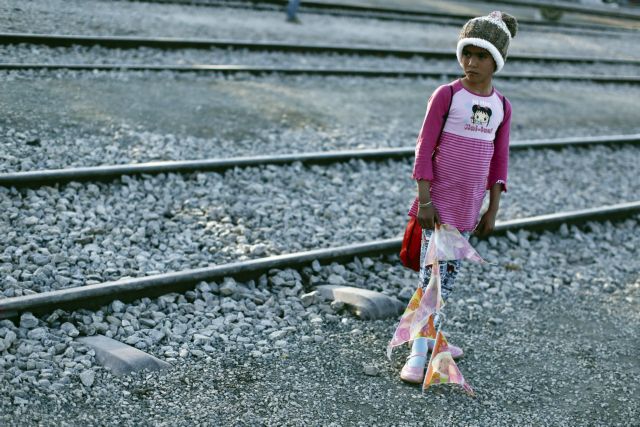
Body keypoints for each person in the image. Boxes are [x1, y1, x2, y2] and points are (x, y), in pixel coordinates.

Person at [399, 11, 518, 384]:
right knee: (431, 278)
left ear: (496, 60)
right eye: (466, 53)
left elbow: (499, 159)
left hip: (468, 210)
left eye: (481, 56)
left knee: (446, 279)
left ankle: (433, 337)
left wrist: (492, 208)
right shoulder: (447, 95)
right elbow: (424, 148)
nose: (471, 63)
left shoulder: (501, 105)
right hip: (438, 206)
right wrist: (425, 199)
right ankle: (420, 353)